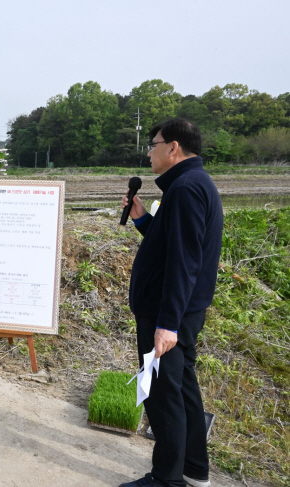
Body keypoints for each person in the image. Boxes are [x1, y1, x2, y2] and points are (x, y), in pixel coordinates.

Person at [120, 119, 223, 487]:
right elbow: (172, 244)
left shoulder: (186, 189)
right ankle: (194, 469)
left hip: (168, 312)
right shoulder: (191, 184)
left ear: (173, 148)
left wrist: (167, 324)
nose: (149, 152)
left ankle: (167, 479)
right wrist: (143, 219)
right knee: (183, 389)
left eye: (154, 144)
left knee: (165, 397)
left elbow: (184, 262)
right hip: (180, 310)